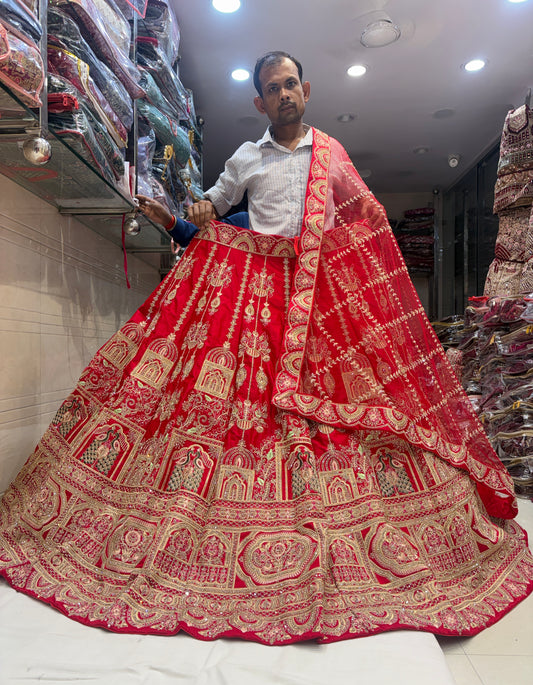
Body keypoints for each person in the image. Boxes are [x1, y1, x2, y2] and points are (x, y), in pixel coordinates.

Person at [0, 51, 532, 645]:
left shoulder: (331, 155)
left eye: (290, 85)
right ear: (259, 102)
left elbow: (368, 220)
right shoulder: (247, 158)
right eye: (272, 89)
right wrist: (190, 213)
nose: (283, 95)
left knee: (343, 409)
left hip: (320, 303)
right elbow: (212, 211)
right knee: (239, 410)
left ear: (306, 90)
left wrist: (345, 269)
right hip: (254, 305)